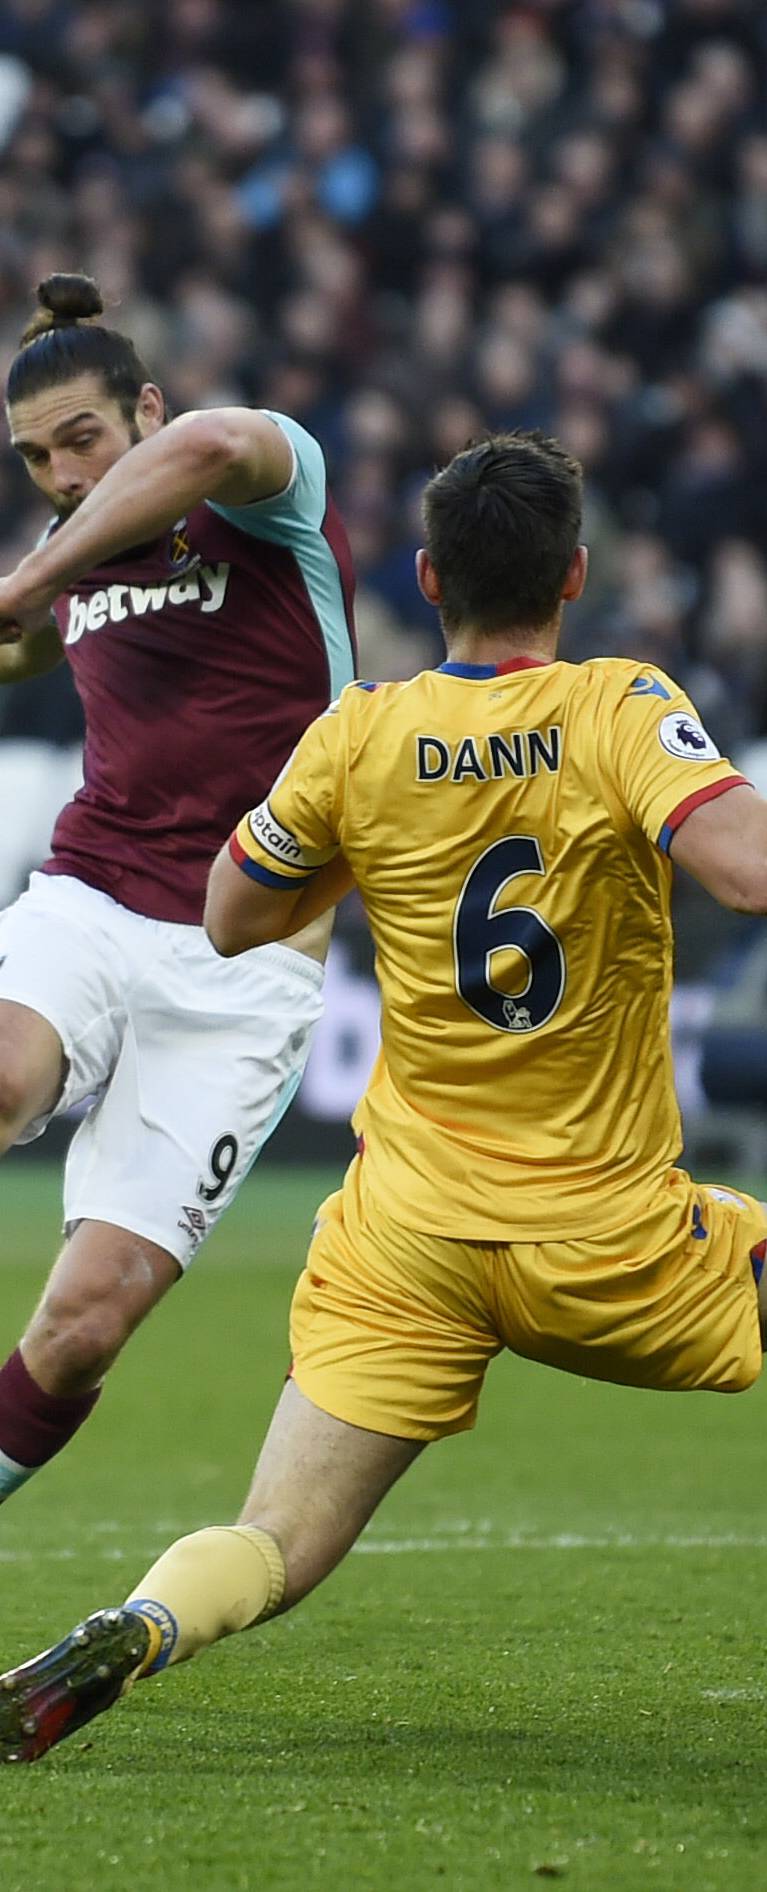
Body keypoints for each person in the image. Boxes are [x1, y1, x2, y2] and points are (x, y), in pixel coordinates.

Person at [0, 433, 767, 1765]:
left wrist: (370, 851)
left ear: (425, 575)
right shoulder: (619, 708)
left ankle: (142, 1624)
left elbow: (230, 912)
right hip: (602, 1237)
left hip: (406, 1237)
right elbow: (752, 868)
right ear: (576, 573)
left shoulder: (364, 732)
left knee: (274, 1538)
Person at [0, 274, 355, 1511]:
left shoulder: (268, 489)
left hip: (247, 954)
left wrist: (29, 576)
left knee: (85, 1325)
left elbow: (211, 445)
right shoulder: (70, 564)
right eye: (35, 456)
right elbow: (29, 639)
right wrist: (29, 601)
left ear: (144, 406)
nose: (59, 473)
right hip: (90, 896)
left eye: (84, 439)